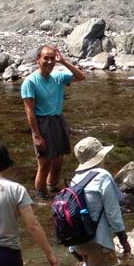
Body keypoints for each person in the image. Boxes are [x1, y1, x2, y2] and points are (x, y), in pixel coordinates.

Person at [67, 136, 130, 266]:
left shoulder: (74, 178)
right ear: (99, 157)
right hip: (98, 238)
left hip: (77, 238)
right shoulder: (102, 176)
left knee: (87, 264)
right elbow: (113, 211)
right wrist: (123, 238)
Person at [21, 45, 86, 197]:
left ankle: (52, 187)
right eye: (46, 58)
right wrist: (36, 135)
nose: (50, 61)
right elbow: (29, 111)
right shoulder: (30, 82)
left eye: (52, 58)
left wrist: (63, 62)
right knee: (44, 164)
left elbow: (81, 77)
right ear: (38, 60)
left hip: (58, 120)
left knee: (58, 159)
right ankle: (42, 197)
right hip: (42, 123)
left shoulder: (58, 77)